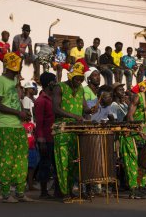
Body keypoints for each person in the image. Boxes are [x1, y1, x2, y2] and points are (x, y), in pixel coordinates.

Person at [0, 52, 33, 203]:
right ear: (13, 67)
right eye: (19, 65)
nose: (21, 67)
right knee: (6, 160)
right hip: (5, 126)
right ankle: (5, 194)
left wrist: (23, 112)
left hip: (18, 125)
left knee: (21, 159)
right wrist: (18, 112)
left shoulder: (16, 80)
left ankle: (20, 193)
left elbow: (16, 99)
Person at [52, 62, 96, 202]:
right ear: (71, 76)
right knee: (63, 162)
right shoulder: (59, 87)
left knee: (75, 162)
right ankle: (65, 192)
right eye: (76, 78)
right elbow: (55, 108)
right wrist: (73, 116)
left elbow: (84, 108)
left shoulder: (81, 89)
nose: (79, 81)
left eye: (81, 79)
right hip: (63, 129)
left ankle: (72, 190)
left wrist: (91, 110)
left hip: (77, 130)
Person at [34, 72, 59, 199]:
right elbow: (39, 122)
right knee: (45, 164)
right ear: (50, 83)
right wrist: (41, 139)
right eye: (55, 81)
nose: (57, 83)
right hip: (46, 138)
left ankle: (57, 191)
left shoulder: (54, 98)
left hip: (55, 136)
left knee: (56, 164)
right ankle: (43, 192)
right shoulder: (41, 100)